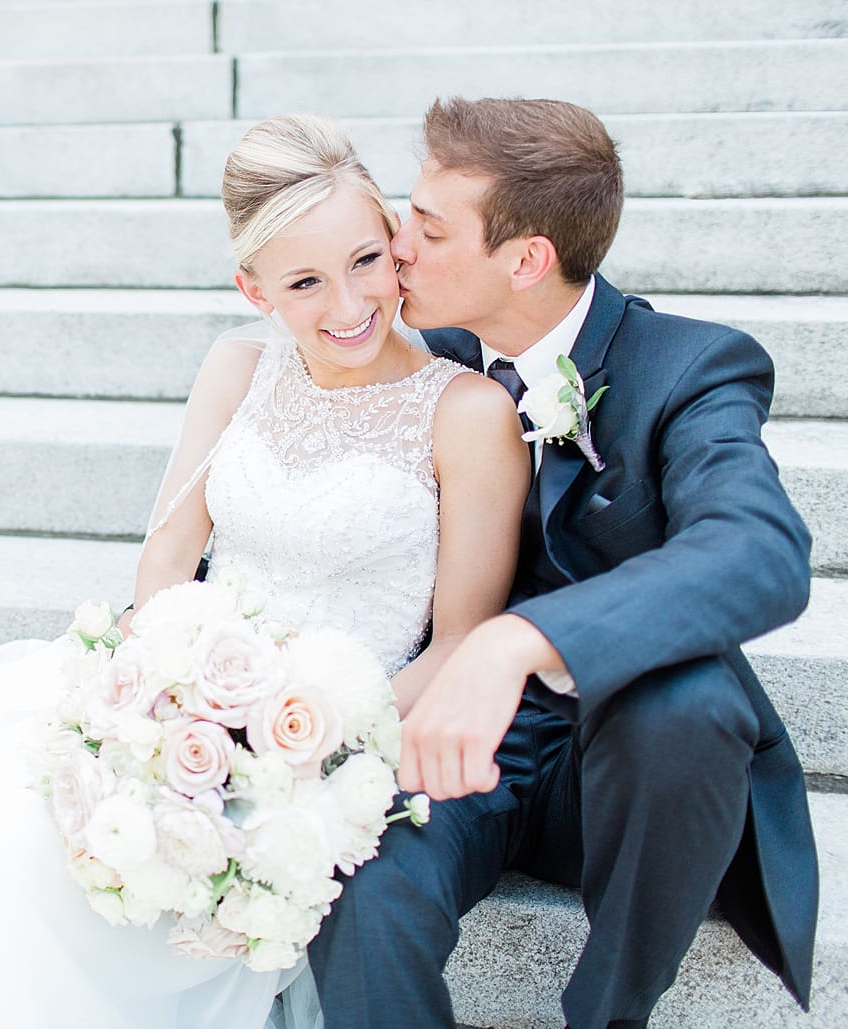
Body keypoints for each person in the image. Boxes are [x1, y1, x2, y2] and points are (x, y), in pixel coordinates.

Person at [0, 113, 528, 1028]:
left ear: (394, 244)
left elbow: (458, 641)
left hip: (332, 742)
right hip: (186, 705)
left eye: (366, 260)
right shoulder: (236, 369)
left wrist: (295, 750)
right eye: (305, 281)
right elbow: (171, 556)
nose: (347, 305)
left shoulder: (464, 413)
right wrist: (158, 707)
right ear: (252, 289)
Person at [306, 97, 818, 1029]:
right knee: (354, 875)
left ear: (527, 259)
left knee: (691, 701)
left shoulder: (689, 369)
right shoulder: (424, 355)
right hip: (455, 747)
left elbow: (763, 552)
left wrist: (519, 639)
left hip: (628, 776)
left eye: (426, 225)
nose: (395, 242)